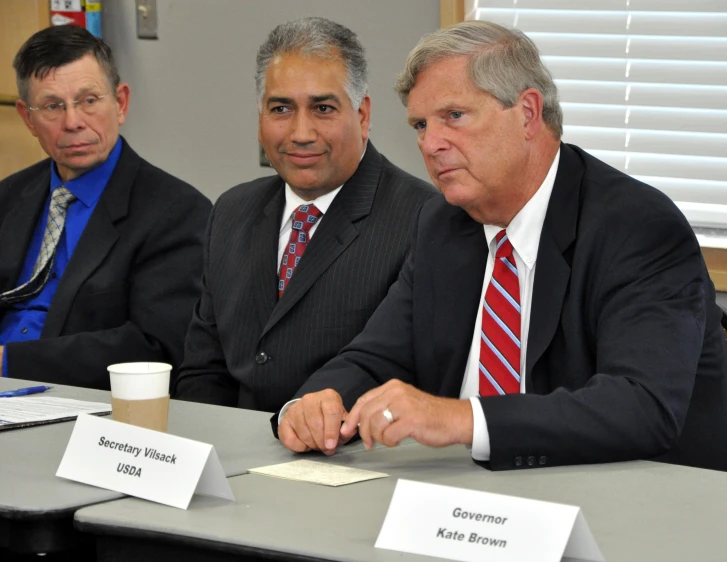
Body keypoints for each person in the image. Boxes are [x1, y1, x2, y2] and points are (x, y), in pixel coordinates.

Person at [277, 21, 727, 471]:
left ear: (528, 113)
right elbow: (377, 356)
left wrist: (462, 419)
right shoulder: (442, 224)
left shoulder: (637, 226)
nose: (430, 144)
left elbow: (640, 407)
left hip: (636, 502)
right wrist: (319, 399)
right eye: (420, 124)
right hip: (470, 500)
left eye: (454, 116)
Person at [173, 17, 436, 412]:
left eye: (323, 108)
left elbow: (410, 379)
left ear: (362, 115)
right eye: (281, 108)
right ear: (260, 118)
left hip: (352, 458)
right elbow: (203, 371)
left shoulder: (423, 218)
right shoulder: (231, 211)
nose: (300, 132)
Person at [0, 25, 211, 389]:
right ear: (27, 118)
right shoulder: (9, 195)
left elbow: (155, 348)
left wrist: (9, 362)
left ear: (121, 103)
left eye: (89, 100)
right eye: (52, 106)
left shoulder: (176, 211)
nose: (73, 122)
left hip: (77, 404)